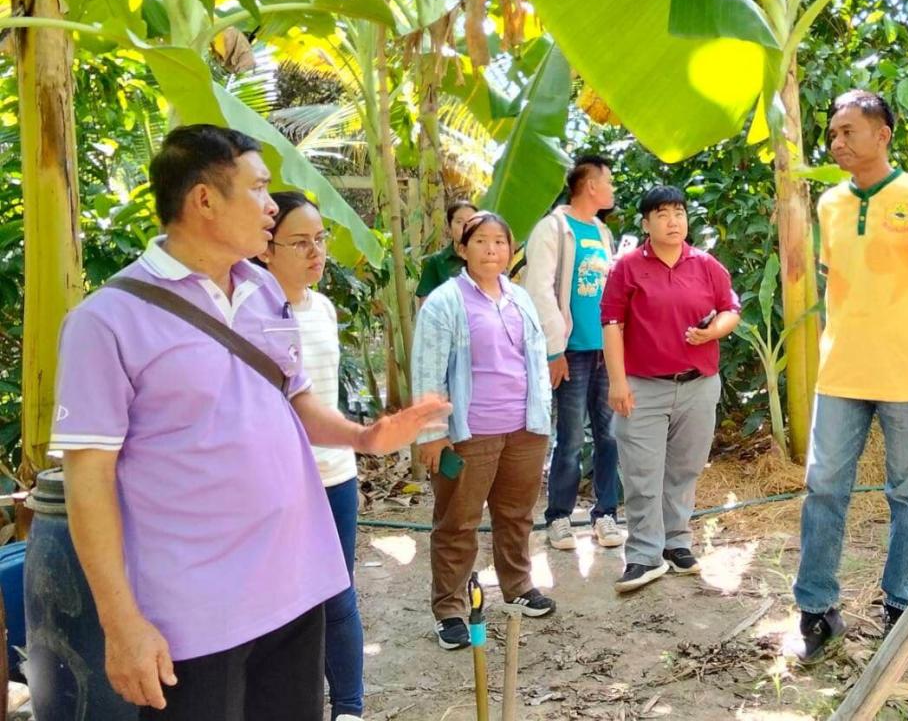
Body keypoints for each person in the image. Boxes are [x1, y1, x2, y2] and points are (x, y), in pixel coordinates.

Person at [53, 125, 448, 720]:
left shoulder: (262, 288)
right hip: (194, 613)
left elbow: (293, 398)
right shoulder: (106, 321)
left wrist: (364, 437)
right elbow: (88, 481)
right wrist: (122, 623)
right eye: (259, 188)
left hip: (294, 585)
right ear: (204, 200)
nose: (271, 206)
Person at [793, 89, 908, 664]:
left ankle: (902, 606)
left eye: (848, 131)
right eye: (832, 133)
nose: (837, 142)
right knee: (824, 489)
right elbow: (840, 286)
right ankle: (816, 609)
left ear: (883, 134)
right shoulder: (830, 204)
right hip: (840, 374)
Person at [412, 211, 557, 651]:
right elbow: (428, 370)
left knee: (516, 515)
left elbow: (534, 360)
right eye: (480, 241)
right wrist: (432, 432)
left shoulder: (519, 298)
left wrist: (542, 420)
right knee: (458, 521)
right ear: (462, 249)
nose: (491, 249)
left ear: (511, 250)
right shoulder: (445, 301)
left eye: (499, 241)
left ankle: (518, 586)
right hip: (469, 434)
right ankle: (450, 610)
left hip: (524, 429)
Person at [600, 185, 741, 594]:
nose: (673, 221)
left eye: (678, 213)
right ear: (646, 224)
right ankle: (644, 555)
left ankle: (677, 543)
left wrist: (712, 332)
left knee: (685, 468)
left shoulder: (706, 265)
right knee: (642, 473)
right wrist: (617, 381)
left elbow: (730, 309)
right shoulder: (627, 268)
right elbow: (612, 324)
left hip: (699, 385)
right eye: (662, 214)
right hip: (643, 387)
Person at [258, 191, 365, 721]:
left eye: (320, 239)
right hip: (276, 482)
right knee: (282, 604)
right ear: (265, 249)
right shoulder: (248, 314)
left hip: (335, 473)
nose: (316, 252)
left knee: (338, 595)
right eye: (299, 242)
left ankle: (349, 707)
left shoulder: (321, 308)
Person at [523, 155, 623, 551]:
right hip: (572, 351)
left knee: (609, 435)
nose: (612, 189)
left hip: (604, 350)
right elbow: (538, 290)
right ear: (591, 186)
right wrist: (554, 350)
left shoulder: (601, 231)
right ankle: (559, 517)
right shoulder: (552, 229)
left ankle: (606, 514)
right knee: (569, 438)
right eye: (609, 181)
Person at [417, 200, 478, 307]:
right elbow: (426, 307)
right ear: (449, 228)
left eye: (470, 221)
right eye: (459, 222)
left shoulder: (489, 258)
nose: (465, 227)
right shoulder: (435, 262)